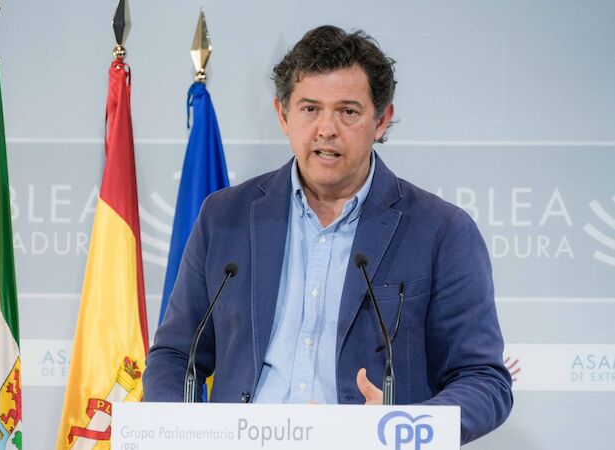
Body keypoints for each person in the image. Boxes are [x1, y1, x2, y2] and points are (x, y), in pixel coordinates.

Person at [143, 25, 512, 444]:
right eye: (309, 109)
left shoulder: (441, 231)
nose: (326, 129)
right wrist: (180, 433)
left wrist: (402, 426)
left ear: (381, 120)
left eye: (348, 111)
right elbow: (176, 354)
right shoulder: (224, 216)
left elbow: (483, 380)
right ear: (283, 115)